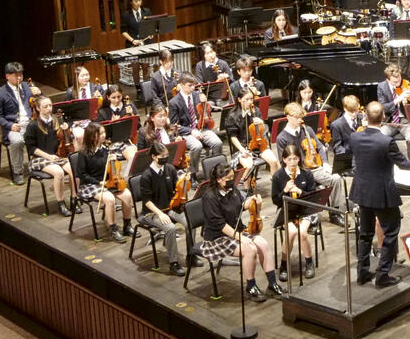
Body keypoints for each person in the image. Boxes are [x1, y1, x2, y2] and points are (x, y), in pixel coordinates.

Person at [197, 163, 280, 301]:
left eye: (232, 176)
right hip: (217, 238)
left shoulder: (232, 189)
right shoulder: (209, 197)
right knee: (250, 249)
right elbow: (220, 225)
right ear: (219, 179)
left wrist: (253, 201)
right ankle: (251, 286)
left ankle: (272, 284)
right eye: (229, 178)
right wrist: (240, 237)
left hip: (236, 231)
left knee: (263, 244)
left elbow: (242, 204)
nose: (232, 179)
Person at [348, 114, 410, 287]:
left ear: (366, 117)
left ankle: (362, 273)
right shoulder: (386, 141)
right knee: (391, 231)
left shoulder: (354, 136)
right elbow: (404, 164)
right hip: (381, 194)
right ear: (383, 117)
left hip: (362, 191)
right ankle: (382, 275)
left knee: (365, 233)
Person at [274, 102, 347, 226]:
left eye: (301, 117)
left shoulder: (307, 129)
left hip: (315, 167)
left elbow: (319, 146)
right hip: (299, 172)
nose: (300, 120)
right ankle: (308, 215)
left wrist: (324, 163)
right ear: (288, 117)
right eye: (297, 118)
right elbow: (283, 161)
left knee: (336, 178)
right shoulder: (282, 138)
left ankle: (335, 213)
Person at [74, 123, 134, 242]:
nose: (103, 135)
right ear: (92, 136)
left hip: (107, 182)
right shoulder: (84, 153)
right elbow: (82, 175)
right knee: (110, 199)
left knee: (127, 195)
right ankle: (113, 228)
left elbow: (111, 170)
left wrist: (113, 163)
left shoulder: (106, 150)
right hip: (89, 185)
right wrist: (98, 182)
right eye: (100, 133)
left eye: (104, 133)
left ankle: (127, 225)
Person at [136, 142, 187, 275]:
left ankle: (191, 255)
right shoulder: (146, 176)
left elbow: (177, 189)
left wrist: (185, 183)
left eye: (167, 155)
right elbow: (147, 201)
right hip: (151, 213)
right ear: (154, 156)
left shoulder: (170, 169)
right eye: (162, 156)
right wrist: (160, 214)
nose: (165, 158)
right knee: (170, 227)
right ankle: (173, 263)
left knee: (190, 222)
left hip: (169, 207)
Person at [271, 143, 318, 279]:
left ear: (299, 159)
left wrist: (300, 191)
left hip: (305, 209)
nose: (292, 162)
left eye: (295, 159)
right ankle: (284, 265)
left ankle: (309, 263)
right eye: (289, 159)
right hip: (286, 209)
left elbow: (313, 197)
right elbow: (276, 201)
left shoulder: (306, 174)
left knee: (302, 232)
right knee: (291, 232)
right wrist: (285, 191)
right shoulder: (278, 176)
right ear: (284, 160)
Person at [25, 95, 71, 214]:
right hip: (39, 159)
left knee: (73, 168)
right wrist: (49, 156)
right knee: (59, 172)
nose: (49, 108)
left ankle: (74, 199)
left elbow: (66, 140)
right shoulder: (33, 125)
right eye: (45, 106)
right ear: (38, 108)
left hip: (56, 156)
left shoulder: (57, 120)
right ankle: (61, 203)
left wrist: (67, 131)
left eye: (50, 105)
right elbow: (31, 148)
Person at [0, 62, 37, 183]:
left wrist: (39, 93)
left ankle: (42, 164)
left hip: (30, 124)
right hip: (14, 127)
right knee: (17, 141)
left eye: (21, 75)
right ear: (7, 76)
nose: (19, 78)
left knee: (47, 131)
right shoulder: (0, 93)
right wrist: (10, 125)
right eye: (16, 75)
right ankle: (18, 172)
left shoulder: (27, 86)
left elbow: (40, 103)